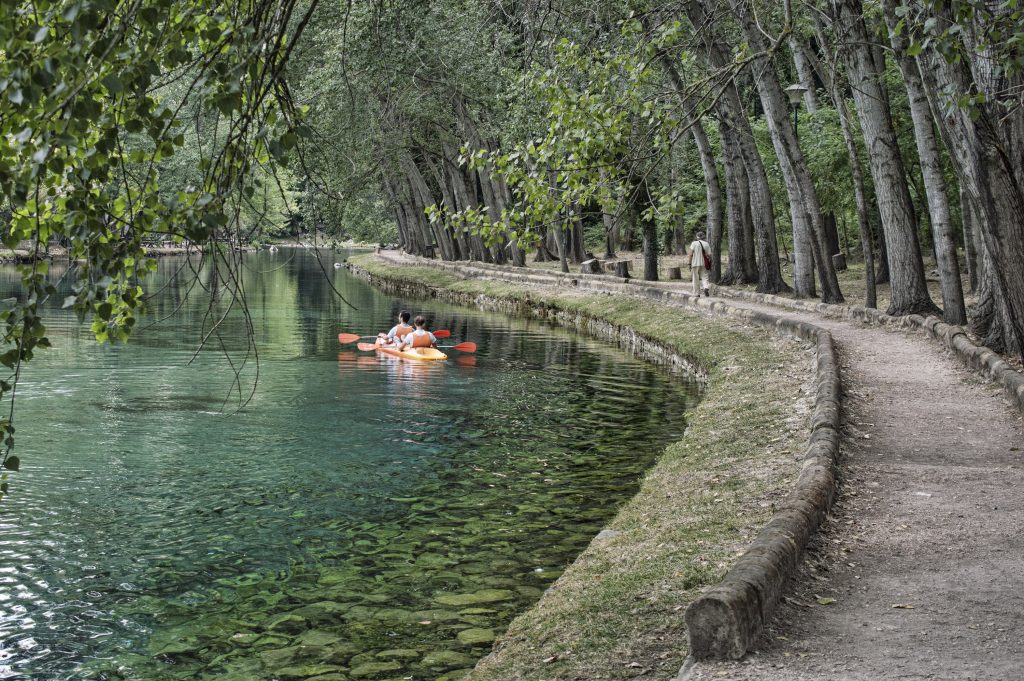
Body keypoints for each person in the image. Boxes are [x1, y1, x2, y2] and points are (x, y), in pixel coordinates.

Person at [686, 230, 711, 297]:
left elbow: (690, 254)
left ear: (697, 237)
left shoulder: (694, 243)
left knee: (695, 278)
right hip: (704, 263)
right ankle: (706, 287)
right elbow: (709, 255)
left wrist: (689, 264)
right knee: (704, 277)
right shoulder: (706, 244)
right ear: (704, 237)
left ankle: (697, 293)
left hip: (695, 263)